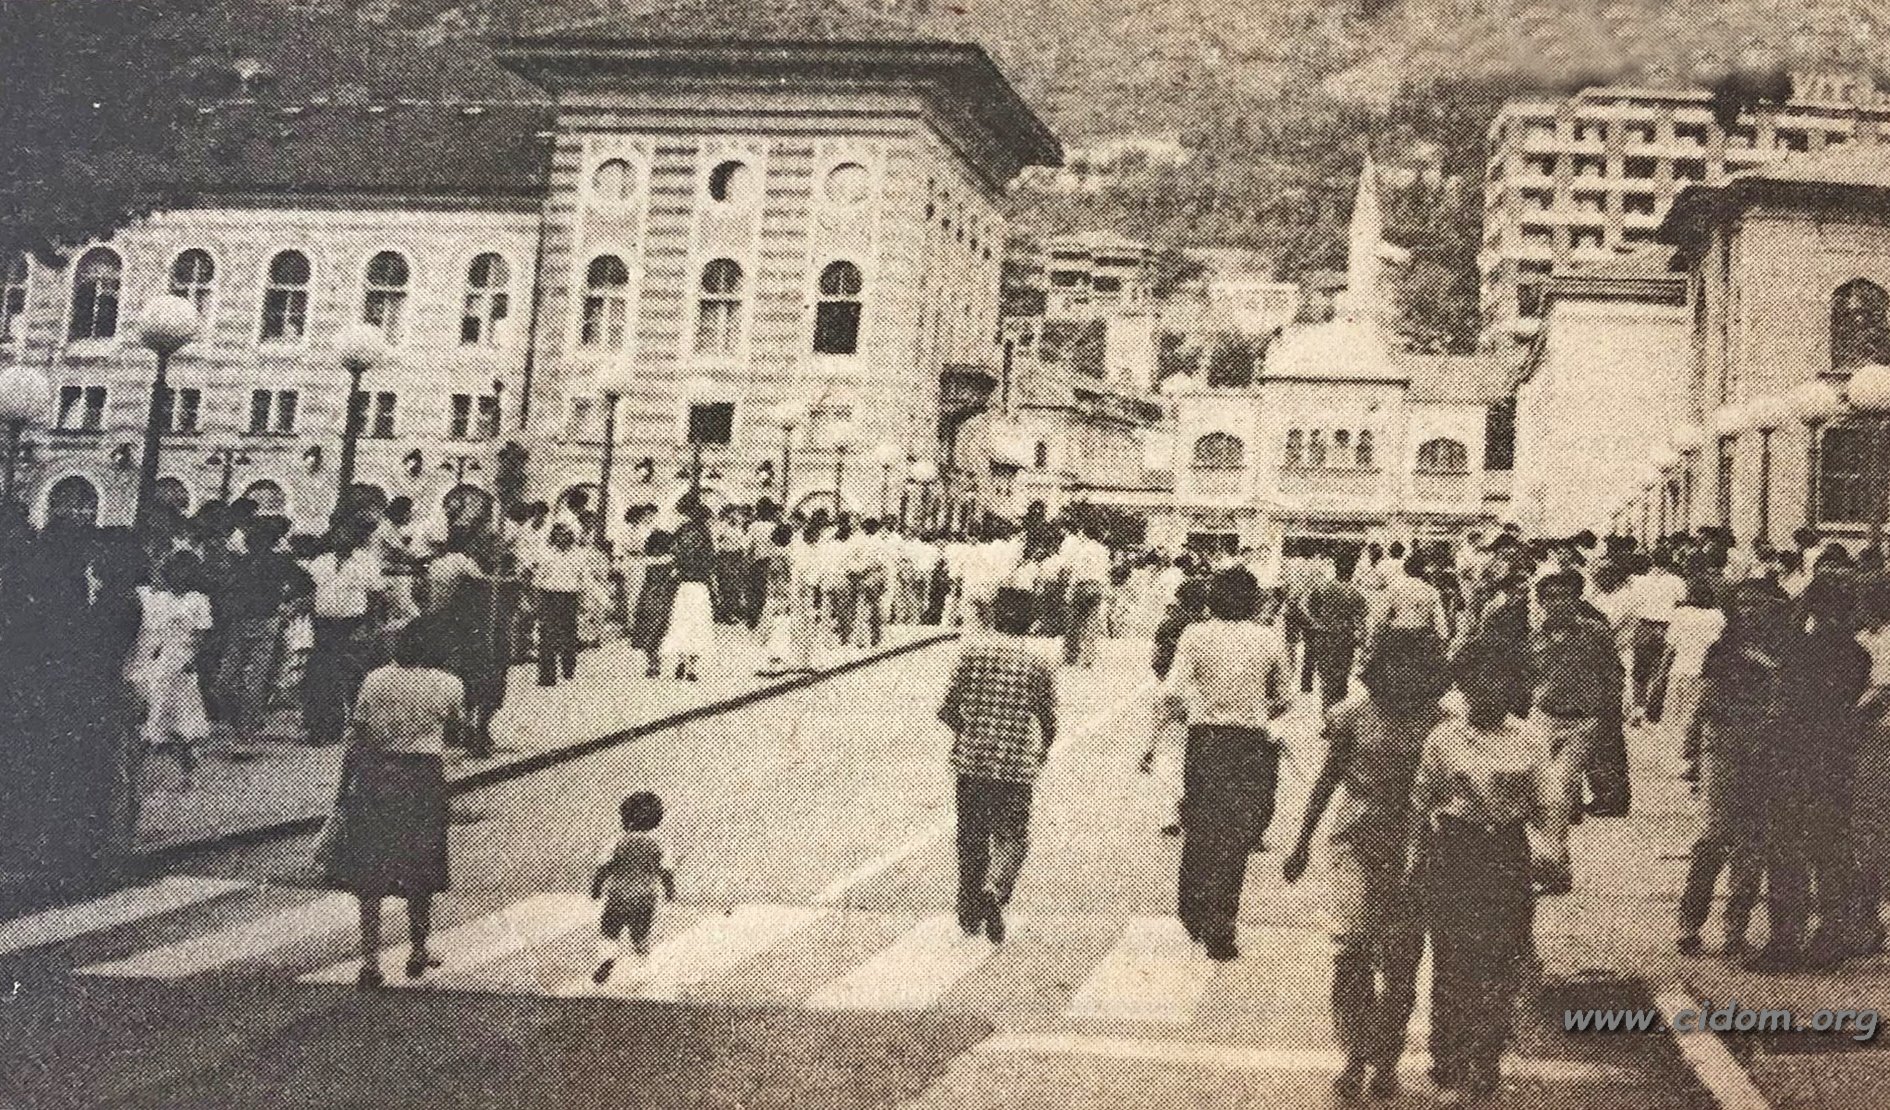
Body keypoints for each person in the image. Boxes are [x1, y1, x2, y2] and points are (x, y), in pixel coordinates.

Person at [1283, 619, 1450, 1103]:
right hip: (1356, 841)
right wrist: (1302, 841)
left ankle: (1388, 1059)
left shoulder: (1442, 723)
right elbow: (1328, 778)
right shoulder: (1351, 716)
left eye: (1413, 667)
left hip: (1418, 847)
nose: (1402, 676)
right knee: (1353, 948)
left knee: (1402, 960)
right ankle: (1355, 1056)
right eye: (1394, 665)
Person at [1408, 638, 1570, 1107]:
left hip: (1506, 854)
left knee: (1503, 960)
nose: (1490, 691)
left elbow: (1549, 803)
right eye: (1479, 681)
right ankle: (1448, 1053)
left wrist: (1554, 851)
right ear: (1464, 685)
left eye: (1501, 681)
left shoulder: (1529, 740)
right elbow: (1421, 802)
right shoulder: (1443, 739)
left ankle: (1486, 1056)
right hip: (1456, 851)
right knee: (1453, 959)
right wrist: (1416, 860)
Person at [1166, 567, 1294, 960]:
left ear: (1212, 599)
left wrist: (1195, 712)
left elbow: (1173, 692)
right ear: (1254, 602)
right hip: (1250, 743)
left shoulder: (1195, 635)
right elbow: (1285, 697)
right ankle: (1222, 925)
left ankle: (1192, 907)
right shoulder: (1268, 639)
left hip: (1206, 739)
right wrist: (1258, 709)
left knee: (1201, 824)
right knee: (1237, 834)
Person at [326, 619, 459, 990]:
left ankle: (370, 960)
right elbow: (456, 726)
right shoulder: (448, 684)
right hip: (423, 777)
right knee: (422, 866)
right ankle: (418, 947)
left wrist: (344, 788)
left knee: (371, 869)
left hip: (378, 775)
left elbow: (358, 737)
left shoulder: (375, 680)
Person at [1752, 571, 1870, 970]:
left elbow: (1781, 702)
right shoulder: (1858, 656)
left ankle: (1785, 940)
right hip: (1835, 761)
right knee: (1830, 850)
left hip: (1792, 758)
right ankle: (1830, 936)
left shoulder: (1796, 649)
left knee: (1786, 849)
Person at [1676, 575, 1791, 959]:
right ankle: (1690, 922)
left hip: (1768, 748)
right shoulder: (1722, 650)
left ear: (1774, 609)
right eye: (1742, 604)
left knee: (1753, 841)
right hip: (1725, 745)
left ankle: (1735, 928)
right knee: (1715, 835)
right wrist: (1692, 748)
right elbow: (1705, 700)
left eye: (1757, 604)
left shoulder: (1786, 651)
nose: (1749, 611)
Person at [939, 586, 1058, 944]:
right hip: (1015, 766)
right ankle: (994, 889)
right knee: (1013, 836)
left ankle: (967, 913)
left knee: (971, 836)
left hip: (971, 761)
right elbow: (1048, 719)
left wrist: (966, 732)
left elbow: (945, 709)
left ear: (993, 617)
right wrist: (1043, 749)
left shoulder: (971, 653)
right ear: (1032, 622)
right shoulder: (1039, 662)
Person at [1530, 571, 1628, 818]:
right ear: (1541, 602)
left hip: (1584, 717)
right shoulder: (1534, 638)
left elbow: (1613, 670)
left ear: (1576, 599)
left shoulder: (1595, 632)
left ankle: (1582, 804)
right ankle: (1568, 807)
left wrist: (1609, 704)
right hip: (1547, 716)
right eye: (1551, 597)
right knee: (1554, 781)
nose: (1558, 602)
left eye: (1565, 596)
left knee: (1568, 774)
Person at [128, 550, 215, 790]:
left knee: (183, 719)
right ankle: (139, 776)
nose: (178, 576)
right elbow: (153, 631)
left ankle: (188, 771)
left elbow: (202, 635)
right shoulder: (162, 599)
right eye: (174, 571)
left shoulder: (198, 600)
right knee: (154, 714)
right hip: (160, 660)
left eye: (184, 571)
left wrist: (192, 659)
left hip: (183, 661)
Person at [302, 516, 389, 747]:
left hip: (352, 625)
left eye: (348, 534)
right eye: (339, 534)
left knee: (347, 675)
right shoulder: (321, 562)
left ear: (356, 538)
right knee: (319, 675)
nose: (342, 538)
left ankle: (343, 725)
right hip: (323, 626)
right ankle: (317, 726)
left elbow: (377, 595)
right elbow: (309, 593)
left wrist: (370, 626)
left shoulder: (367, 562)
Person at [591, 791, 677, 984]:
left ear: (625, 817)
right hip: (645, 897)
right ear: (656, 819)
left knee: (609, 930)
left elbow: (604, 867)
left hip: (618, 896)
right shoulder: (659, 844)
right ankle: (641, 967)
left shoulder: (617, 842)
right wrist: (670, 892)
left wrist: (596, 888)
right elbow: (666, 872)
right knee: (640, 933)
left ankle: (607, 958)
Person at [529, 523, 595, 688]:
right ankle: (547, 676)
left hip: (569, 597)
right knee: (547, 636)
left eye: (566, 535)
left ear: (571, 537)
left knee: (569, 634)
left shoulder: (579, 556)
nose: (563, 538)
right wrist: (536, 601)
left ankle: (568, 667)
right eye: (559, 535)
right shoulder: (546, 554)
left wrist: (592, 600)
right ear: (554, 537)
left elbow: (585, 580)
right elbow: (537, 581)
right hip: (549, 597)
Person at [1304, 550, 1368, 710]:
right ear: (1353, 570)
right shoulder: (1356, 595)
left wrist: (1316, 622)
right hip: (1345, 639)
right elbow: (1361, 623)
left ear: (1335, 567)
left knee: (1326, 680)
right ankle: (1338, 716)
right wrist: (1363, 645)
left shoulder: (1322, 588)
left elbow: (1306, 606)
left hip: (1324, 637)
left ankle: (1327, 713)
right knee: (1342, 679)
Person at [663, 500, 718, 681]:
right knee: (698, 624)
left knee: (681, 622)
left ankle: (680, 660)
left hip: (683, 585)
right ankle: (692, 667)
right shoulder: (705, 534)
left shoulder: (682, 530)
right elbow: (711, 560)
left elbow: (673, 552)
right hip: (700, 585)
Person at [628, 529, 677, 679]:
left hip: (648, 597)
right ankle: (658, 660)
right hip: (666, 597)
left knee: (648, 630)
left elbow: (637, 582)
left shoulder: (645, 561)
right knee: (662, 629)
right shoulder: (671, 561)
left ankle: (652, 662)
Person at [1061, 525, 1110, 668]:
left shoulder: (1082, 550)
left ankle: (1071, 657)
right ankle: (1088, 658)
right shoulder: (1104, 550)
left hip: (1082, 586)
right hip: (1097, 587)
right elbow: (1105, 572)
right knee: (1091, 623)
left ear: (1086, 535)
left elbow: (1077, 571)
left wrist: (1070, 590)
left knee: (1074, 623)